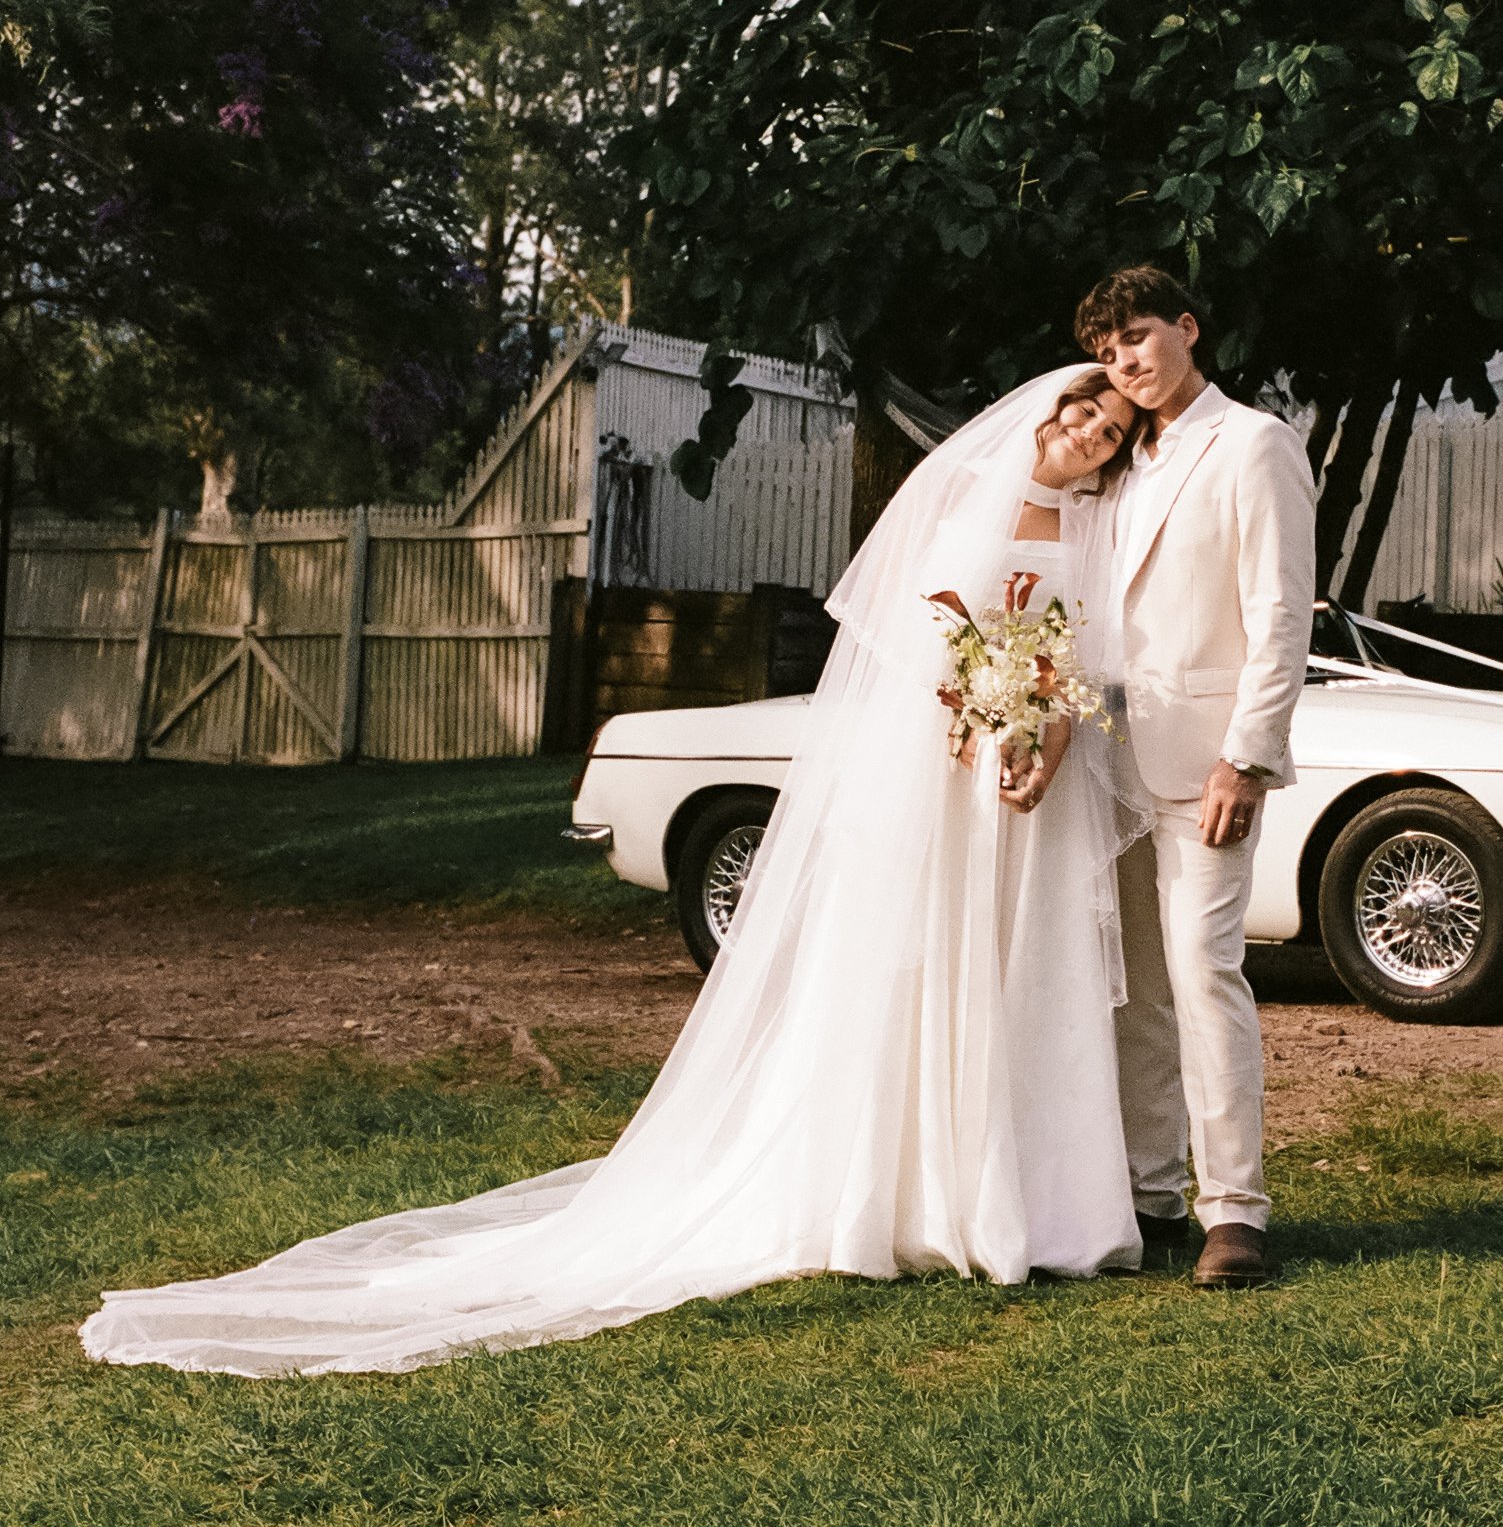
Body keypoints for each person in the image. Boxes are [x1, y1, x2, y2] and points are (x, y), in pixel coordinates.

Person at [78, 369, 1146, 1377]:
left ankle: (1040, 1203)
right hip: (940, 771)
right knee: (926, 966)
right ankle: (917, 1195)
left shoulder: (1091, 525)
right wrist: (970, 723)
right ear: (1047, 414)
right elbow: (907, 637)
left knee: (1023, 970)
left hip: (1034, 779)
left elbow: (1085, 652)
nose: (1089, 440)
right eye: (1082, 420)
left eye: (1108, 437)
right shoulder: (958, 492)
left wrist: (1041, 736)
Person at [1075, 266, 1317, 1292]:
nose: (1126, 360)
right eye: (1106, 350)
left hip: (1206, 762)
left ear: (1187, 326)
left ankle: (1236, 1214)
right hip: (1108, 761)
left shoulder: (1253, 442)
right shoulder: (1123, 464)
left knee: (1203, 972)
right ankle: (1151, 1192)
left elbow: (1280, 613)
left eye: (1138, 336)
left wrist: (1249, 756)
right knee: (1133, 990)